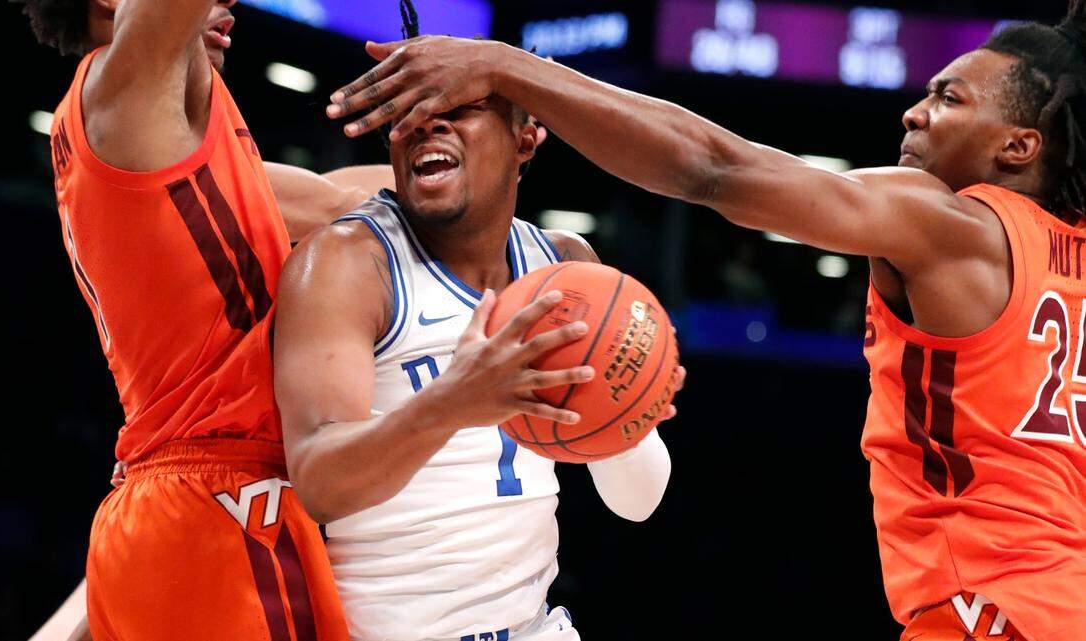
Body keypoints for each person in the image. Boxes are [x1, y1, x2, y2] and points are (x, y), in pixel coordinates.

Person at [325, 3, 1086, 641]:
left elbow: (717, 169)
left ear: (1019, 147)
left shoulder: (954, 225)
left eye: (950, 99)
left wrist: (502, 66)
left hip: (998, 611)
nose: (915, 110)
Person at [17, 0, 386, 638]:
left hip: (167, 510)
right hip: (222, 505)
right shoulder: (121, 87)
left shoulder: (168, 149)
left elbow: (346, 203)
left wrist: (477, 128)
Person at [274, 90, 682, 641]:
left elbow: (638, 504)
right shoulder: (346, 261)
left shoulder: (565, 264)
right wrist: (451, 405)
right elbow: (319, 486)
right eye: (405, 114)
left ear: (525, 135)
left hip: (535, 628)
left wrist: (632, 407)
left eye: (455, 107)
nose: (424, 123)